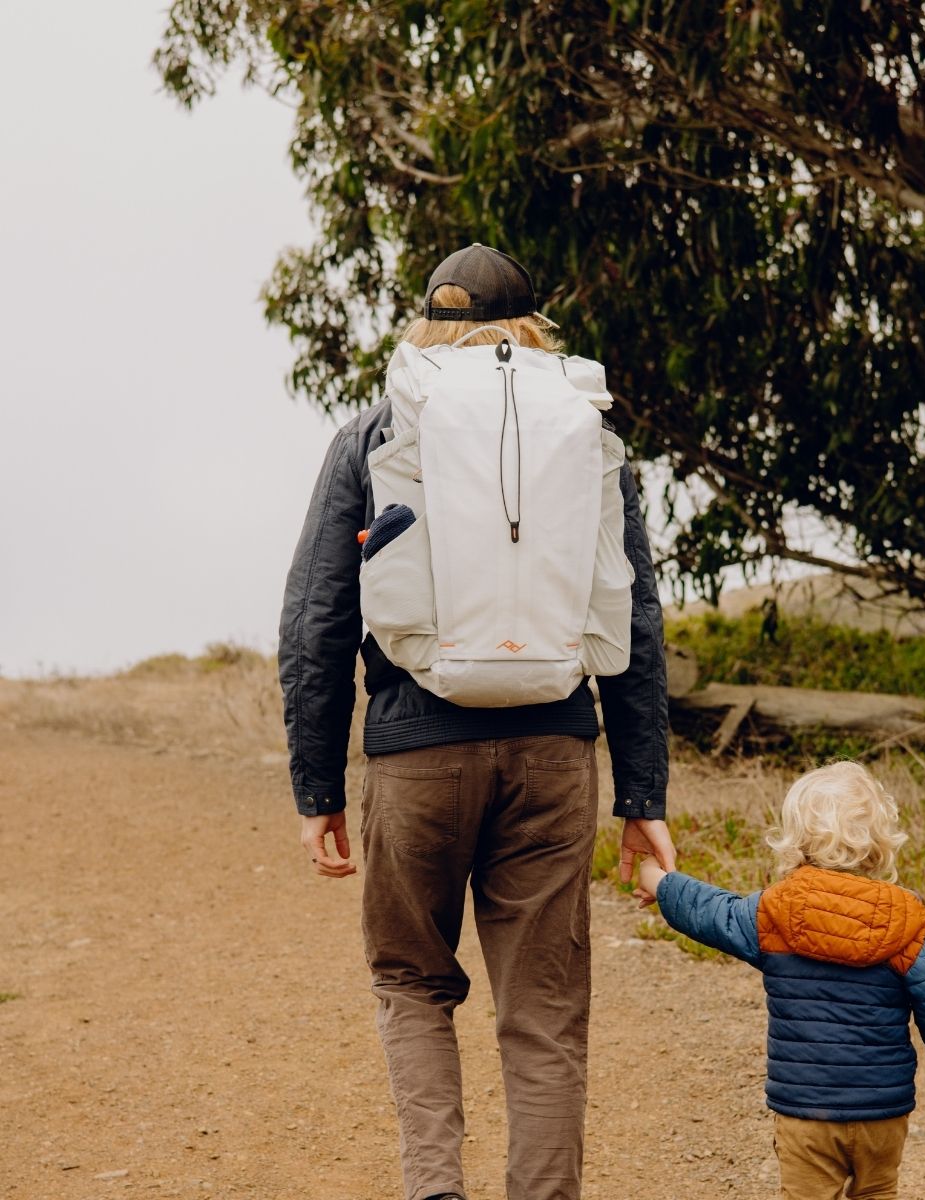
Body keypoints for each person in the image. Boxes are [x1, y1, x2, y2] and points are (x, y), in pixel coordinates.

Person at [278, 243, 675, 1200]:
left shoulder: (377, 431)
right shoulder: (583, 427)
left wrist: (319, 787)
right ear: (532, 330)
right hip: (553, 753)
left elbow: (317, 620)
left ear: (429, 325)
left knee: (413, 982)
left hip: (418, 758)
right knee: (543, 1010)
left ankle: (435, 1192)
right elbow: (634, 615)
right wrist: (644, 792)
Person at [635, 761, 925, 1200]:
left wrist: (659, 880)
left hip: (806, 1115)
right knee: (878, 1192)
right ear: (881, 843)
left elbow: (710, 911)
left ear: (794, 840)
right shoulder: (910, 924)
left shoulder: (773, 912)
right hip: (883, 1113)